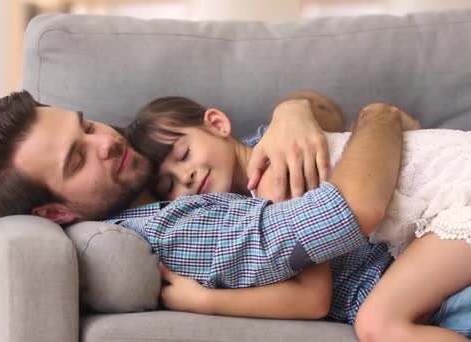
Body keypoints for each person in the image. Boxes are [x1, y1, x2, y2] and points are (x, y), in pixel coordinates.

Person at [0, 90, 437, 340]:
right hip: (436, 275)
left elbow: (322, 110)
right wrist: (380, 115)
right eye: (76, 159)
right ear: (55, 211)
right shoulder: (173, 225)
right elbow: (349, 211)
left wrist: (291, 111)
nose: (105, 141)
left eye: (86, 125)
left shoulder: (150, 165)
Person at [125, 94, 471, 340]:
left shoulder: (275, 174)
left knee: (380, 324)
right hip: (442, 197)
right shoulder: (261, 171)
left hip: (457, 189)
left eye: (184, 154)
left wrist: (205, 300)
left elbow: (312, 296)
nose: (185, 176)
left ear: (216, 123)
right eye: (168, 185)